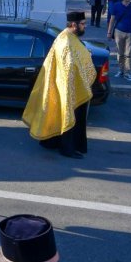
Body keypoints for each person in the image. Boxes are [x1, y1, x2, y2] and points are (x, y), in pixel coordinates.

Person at [23, 10, 95, 159]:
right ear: (73, 24)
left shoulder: (67, 36)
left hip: (66, 85)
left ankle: (52, 141)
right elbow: (69, 66)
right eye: (82, 24)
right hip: (69, 87)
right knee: (69, 118)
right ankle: (67, 149)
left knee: (59, 115)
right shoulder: (66, 41)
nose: (84, 27)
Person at [106, 0, 131, 81]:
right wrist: (109, 32)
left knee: (128, 54)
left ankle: (127, 72)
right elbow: (112, 20)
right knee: (120, 53)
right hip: (119, 31)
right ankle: (120, 70)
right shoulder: (116, 6)